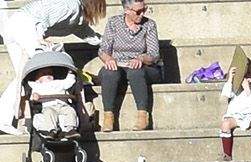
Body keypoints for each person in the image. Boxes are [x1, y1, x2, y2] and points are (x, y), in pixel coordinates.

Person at [1, 0, 104, 135]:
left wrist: (105, 41)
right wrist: (40, 39)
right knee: (34, 70)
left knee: (22, 76)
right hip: (24, 26)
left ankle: (3, 120)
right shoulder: (71, 6)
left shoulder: (77, 15)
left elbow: (86, 33)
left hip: (17, 26)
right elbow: (43, 18)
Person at [95, 0, 159, 131]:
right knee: (109, 72)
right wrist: (108, 59)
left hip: (143, 67)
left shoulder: (149, 25)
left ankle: (143, 116)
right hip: (119, 65)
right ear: (127, 11)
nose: (142, 14)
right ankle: (108, 116)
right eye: (138, 12)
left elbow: (154, 54)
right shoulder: (114, 23)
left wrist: (140, 58)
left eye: (144, 10)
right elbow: (103, 50)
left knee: (136, 71)